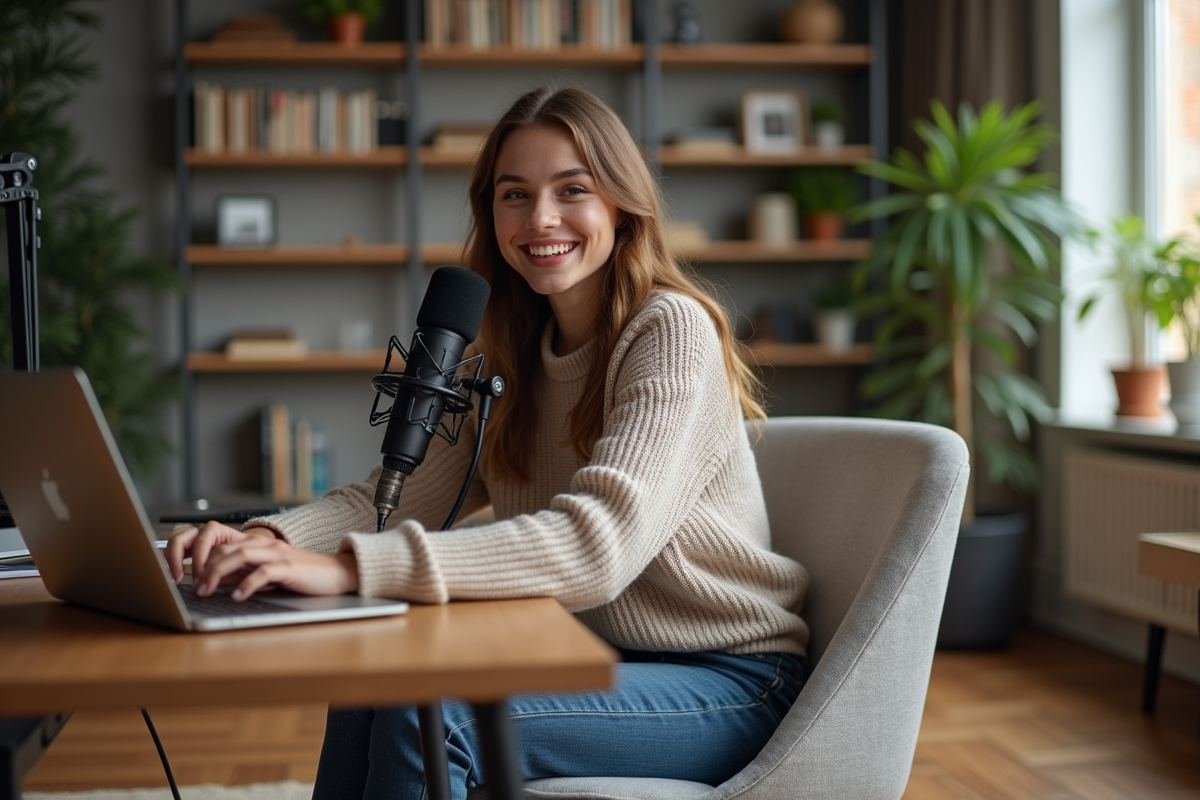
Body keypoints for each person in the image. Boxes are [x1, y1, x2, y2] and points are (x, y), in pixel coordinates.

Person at [166, 86, 810, 800]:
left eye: (573, 190)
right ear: (490, 212)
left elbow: (596, 547)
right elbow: (400, 497)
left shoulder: (669, 330)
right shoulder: (512, 348)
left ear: (622, 205)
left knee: (430, 713)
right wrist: (261, 540)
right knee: (372, 672)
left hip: (728, 680)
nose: (541, 219)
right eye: (515, 195)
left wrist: (355, 569)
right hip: (589, 650)